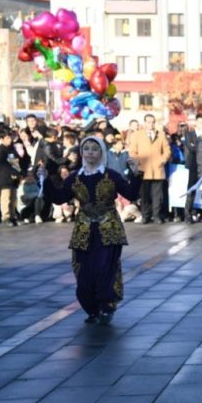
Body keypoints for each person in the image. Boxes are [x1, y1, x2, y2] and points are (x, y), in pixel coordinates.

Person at [40, 136, 142, 324]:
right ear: (81, 152)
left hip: (109, 229)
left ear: (101, 152)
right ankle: (91, 308)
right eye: (86, 148)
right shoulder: (75, 177)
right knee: (84, 271)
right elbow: (60, 198)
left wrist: (136, 175)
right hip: (84, 230)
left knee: (105, 269)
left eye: (94, 149)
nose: (90, 152)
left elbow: (131, 194)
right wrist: (46, 180)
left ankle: (106, 306)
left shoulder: (111, 175)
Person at [128, 113, 170, 224]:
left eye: (152, 122)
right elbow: (132, 151)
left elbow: (167, 150)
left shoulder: (161, 134)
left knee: (158, 195)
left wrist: (163, 160)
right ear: (144, 123)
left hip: (157, 169)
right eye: (148, 122)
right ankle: (145, 215)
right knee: (144, 195)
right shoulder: (137, 135)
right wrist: (139, 162)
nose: (151, 124)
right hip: (143, 170)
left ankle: (156, 216)